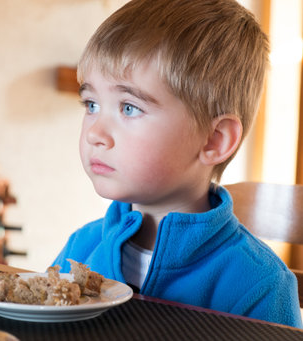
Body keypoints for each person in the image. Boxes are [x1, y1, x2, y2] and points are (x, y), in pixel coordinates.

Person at [52, 0, 302, 328]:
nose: (95, 133)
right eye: (92, 104)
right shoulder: (82, 246)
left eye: (129, 108)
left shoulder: (261, 285)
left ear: (213, 141)